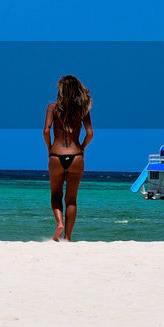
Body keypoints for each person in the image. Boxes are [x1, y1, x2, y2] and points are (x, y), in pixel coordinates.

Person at [44, 74, 94, 241]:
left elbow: (46, 131)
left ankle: (59, 223)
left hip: (56, 155)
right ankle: (67, 238)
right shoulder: (82, 109)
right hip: (76, 156)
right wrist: (82, 147)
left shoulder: (52, 107)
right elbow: (90, 133)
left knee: (55, 195)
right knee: (71, 200)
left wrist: (50, 148)